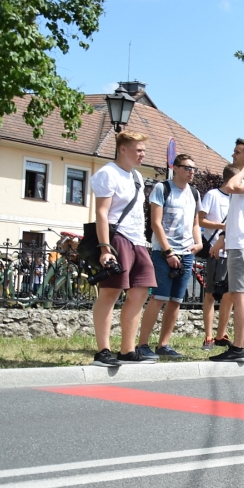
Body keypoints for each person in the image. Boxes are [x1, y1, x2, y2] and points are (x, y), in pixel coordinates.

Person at [88, 131, 158, 366]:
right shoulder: (108, 173)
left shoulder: (137, 177)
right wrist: (105, 247)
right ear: (123, 149)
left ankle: (127, 351)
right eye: (139, 150)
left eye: (144, 150)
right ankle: (103, 351)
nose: (143, 155)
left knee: (140, 292)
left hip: (138, 241)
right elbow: (101, 213)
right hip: (117, 237)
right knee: (110, 293)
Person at [136, 154, 203, 359]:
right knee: (158, 298)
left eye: (194, 169)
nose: (191, 172)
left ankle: (163, 344)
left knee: (175, 300)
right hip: (163, 251)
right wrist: (168, 252)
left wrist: (198, 242)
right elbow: (156, 223)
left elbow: (195, 223)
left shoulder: (194, 193)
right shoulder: (162, 189)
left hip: (186, 253)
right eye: (187, 168)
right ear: (175, 168)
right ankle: (142, 344)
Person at [210, 139, 244, 363]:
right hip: (237, 243)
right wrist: (223, 238)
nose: (233, 155)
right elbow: (235, 215)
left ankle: (238, 348)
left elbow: (230, 186)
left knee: (239, 296)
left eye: (237, 152)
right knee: (242, 297)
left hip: (243, 246)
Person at [198, 166, 234, 350]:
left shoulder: (237, 198)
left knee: (228, 294)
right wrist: (221, 226)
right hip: (215, 251)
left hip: (233, 252)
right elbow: (200, 220)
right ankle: (208, 336)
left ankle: (222, 333)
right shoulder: (213, 195)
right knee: (211, 294)